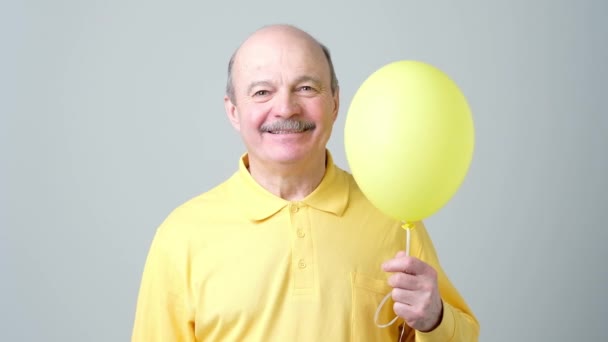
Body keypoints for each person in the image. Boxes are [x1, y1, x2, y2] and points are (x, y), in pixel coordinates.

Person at [132, 24, 479, 341]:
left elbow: (462, 334)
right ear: (233, 111)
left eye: (306, 87)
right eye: (262, 92)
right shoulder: (181, 236)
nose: (285, 108)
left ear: (335, 102)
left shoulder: (392, 214)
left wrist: (435, 320)